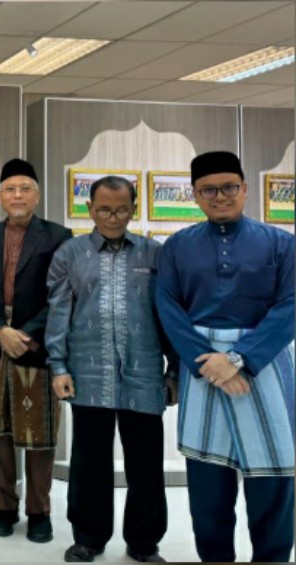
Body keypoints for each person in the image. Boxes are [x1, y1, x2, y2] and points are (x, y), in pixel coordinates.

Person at [155, 151, 294, 563]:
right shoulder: (177, 247)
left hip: (264, 367)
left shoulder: (281, 244)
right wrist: (209, 360)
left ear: (245, 189)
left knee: (273, 473)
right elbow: (168, 307)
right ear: (195, 195)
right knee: (208, 480)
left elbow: (290, 306)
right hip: (202, 369)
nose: (220, 196)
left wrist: (238, 359)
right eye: (209, 190)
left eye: (229, 187)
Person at [46, 176, 179, 563]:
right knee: (89, 462)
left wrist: (174, 371)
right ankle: (88, 538)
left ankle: (144, 543)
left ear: (133, 209)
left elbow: (169, 315)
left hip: (144, 374)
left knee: (146, 464)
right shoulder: (70, 254)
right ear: (89, 209)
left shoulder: (155, 255)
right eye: (104, 209)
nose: (113, 217)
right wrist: (58, 366)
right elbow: (59, 314)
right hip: (88, 374)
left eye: (121, 210)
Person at [0, 158, 72, 543]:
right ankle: (3, 507)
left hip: (37, 344)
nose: (18, 195)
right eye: (10, 189)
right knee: (0, 432)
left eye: (25, 188)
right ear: (0, 196)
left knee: (40, 434)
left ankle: (40, 512)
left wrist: (24, 334)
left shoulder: (59, 236)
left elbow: (62, 294)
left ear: (37, 195)